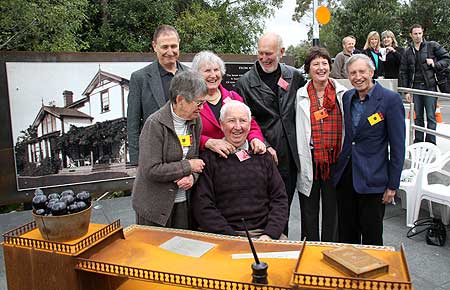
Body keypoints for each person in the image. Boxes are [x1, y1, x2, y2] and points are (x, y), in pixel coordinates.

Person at [235, 32, 307, 235]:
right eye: (260, 53)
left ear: (282, 52)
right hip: (262, 154)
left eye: (269, 53)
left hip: (291, 155)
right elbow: (246, 121)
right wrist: (264, 144)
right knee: (262, 208)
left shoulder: (294, 76)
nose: (264, 58)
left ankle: (279, 245)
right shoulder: (245, 83)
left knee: (283, 207)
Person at [333, 54, 405, 246]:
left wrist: (392, 185)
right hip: (346, 177)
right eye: (353, 73)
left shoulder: (390, 100)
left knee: (372, 237)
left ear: (372, 72)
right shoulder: (348, 97)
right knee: (346, 236)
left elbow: (398, 146)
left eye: (362, 71)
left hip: (373, 179)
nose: (358, 77)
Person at [192, 100, 288, 240]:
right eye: (231, 121)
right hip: (222, 236)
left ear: (250, 125)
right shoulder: (208, 159)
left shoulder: (262, 156)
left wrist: (270, 234)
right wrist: (231, 238)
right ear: (221, 124)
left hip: (262, 233)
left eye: (243, 121)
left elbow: (279, 199)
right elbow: (203, 206)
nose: (238, 127)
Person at [132, 71, 207, 229]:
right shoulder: (155, 124)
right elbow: (151, 169)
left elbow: (196, 160)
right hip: (154, 207)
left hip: (182, 202)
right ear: (180, 100)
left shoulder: (195, 121)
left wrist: (192, 177)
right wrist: (187, 167)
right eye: (198, 103)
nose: (202, 108)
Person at [295, 47, 347, 242]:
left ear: (330, 66)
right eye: (315, 64)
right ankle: (309, 249)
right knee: (308, 211)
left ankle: (329, 248)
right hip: (310, 159)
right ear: (308, 69)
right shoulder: (300, 95)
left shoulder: (342, 93)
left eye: (324, 63)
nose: (321, 68)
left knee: (332, 212)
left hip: (334, 160)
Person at [127, 25, 189, 166]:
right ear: (154, 46)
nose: (170, 51)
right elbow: (133, 123)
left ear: (179, 43)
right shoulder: (140, 78)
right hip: (153, 157)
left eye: (174, 46)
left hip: (185, 155)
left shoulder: (191, 75)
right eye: (164, 47)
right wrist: (136, 161)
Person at [191, 51, 266, 157]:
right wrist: (207, 142)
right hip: (206, 161)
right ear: (196, 75)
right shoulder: (190, 101)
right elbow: (183, 132)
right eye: (207, 71)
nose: (213, 75)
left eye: (216, 70)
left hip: (235, 159)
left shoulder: (233, 97)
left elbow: (250, 124)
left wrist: (255, 139)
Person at [399, 24, 450, 144]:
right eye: (415, 34)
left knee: (431, 117)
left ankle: (431, 142)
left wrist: (435, 64)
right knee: (418, 117)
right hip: (415, 88)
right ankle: (419, 141)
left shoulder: (432, 46)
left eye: (419, 33)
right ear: (411, 35)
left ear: (423, 33)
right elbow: (403, 72)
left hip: (429, 87)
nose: (418, 36)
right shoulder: (407, 52)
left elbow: (447, 58)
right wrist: (406, 91)